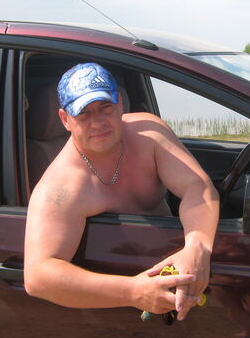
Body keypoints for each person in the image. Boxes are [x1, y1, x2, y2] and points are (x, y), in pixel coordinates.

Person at [24, 62, 219, 321]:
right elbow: (38, 276)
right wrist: (133, 292)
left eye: (105, 107)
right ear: (65, 119)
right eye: (83, 113)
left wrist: (197, 246)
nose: (98, 122)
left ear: (119, 103)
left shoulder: (149, 134)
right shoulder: (60, 188)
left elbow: (197, 186)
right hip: (116, 299)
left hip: (175, 260)